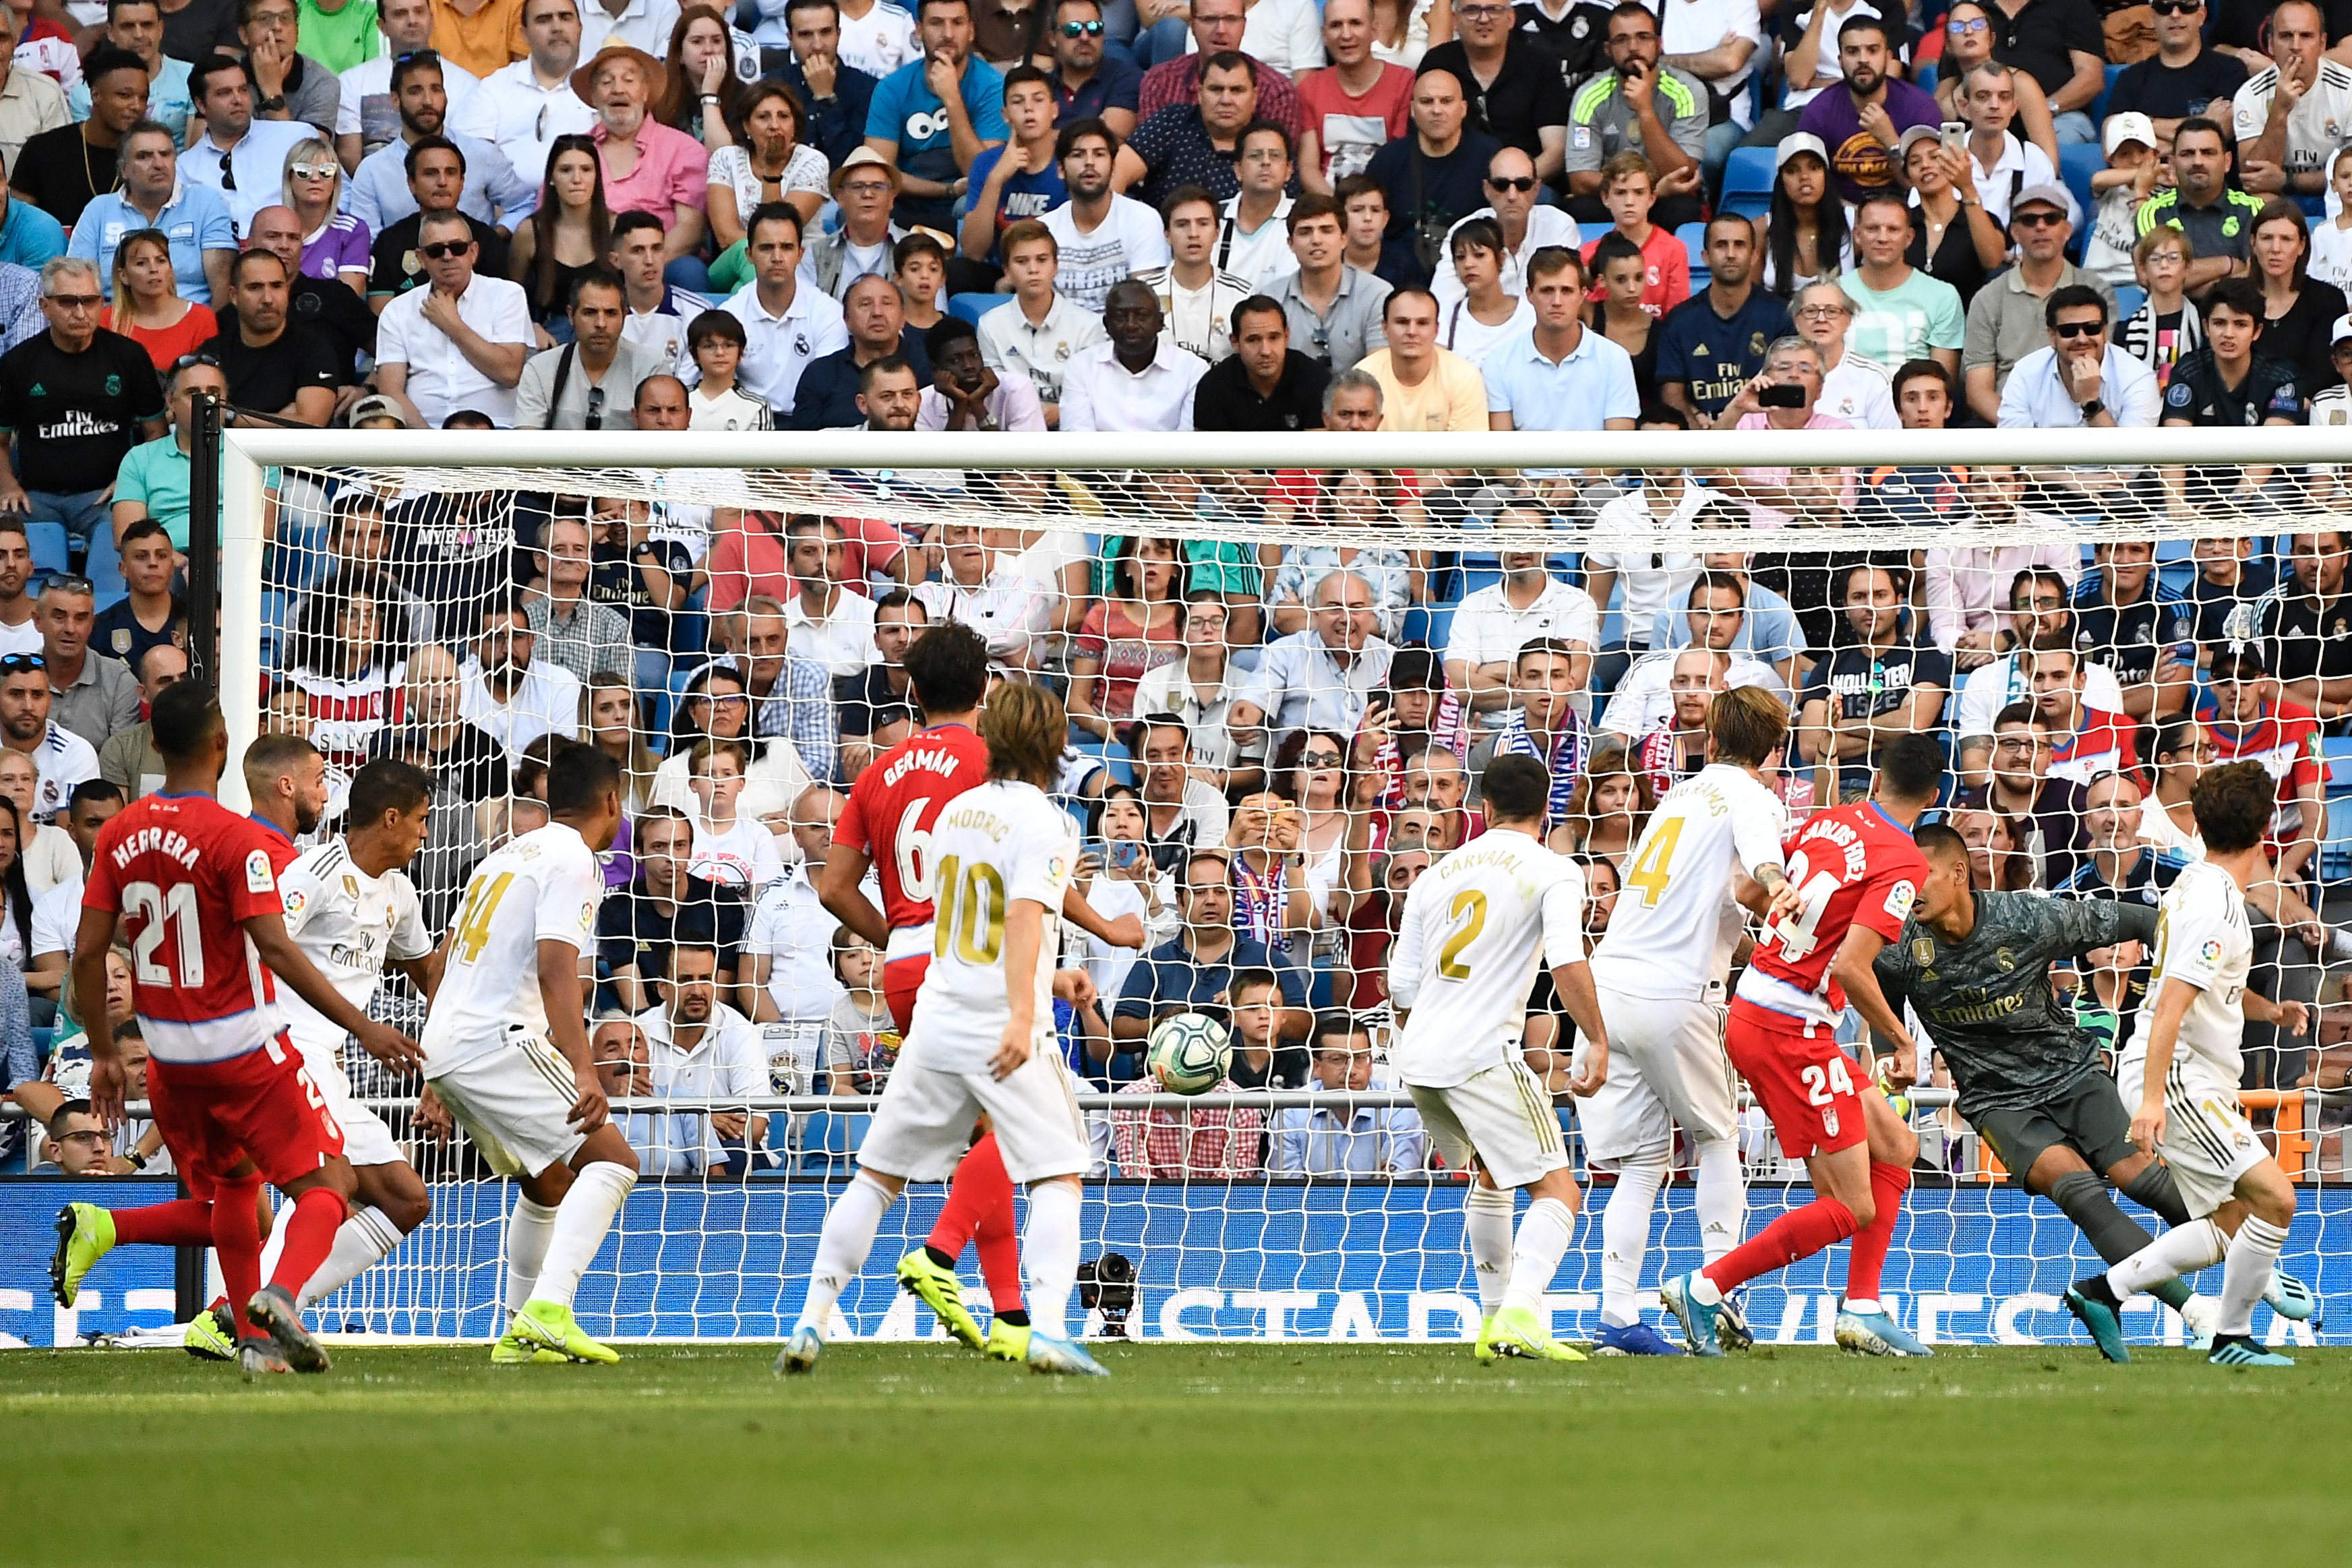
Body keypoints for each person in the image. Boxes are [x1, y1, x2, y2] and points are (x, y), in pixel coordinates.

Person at [57, 682, 418, 1378]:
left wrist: (105, 1052)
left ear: (154, 745)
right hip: (242, 1047)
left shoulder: (121, 832)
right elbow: (277, 948)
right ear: (221, 747)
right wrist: (363, 1026)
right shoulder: (236, 839)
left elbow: (85, 953)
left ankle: (250, 1344)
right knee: (327, 1185)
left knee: (233, 1192)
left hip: (165, 1057)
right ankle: (276, 1303)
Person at [785, 682, 1118, 1377]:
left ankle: (811, 1320)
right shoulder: (1048, 822)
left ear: (992, 739)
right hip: (1001, 1022)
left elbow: (958, 920)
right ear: (1057, 746)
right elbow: (1023, 918)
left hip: (938, 1011)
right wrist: (1028, 1012)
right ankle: (1048, 1328)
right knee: (1059, 1174)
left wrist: (1049, 982)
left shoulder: (958, 812)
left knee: (876, 1178)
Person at [1660, 733, 1939, 1356]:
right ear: (1935, 794)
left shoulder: (1832, 819)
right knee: (1850, 1205)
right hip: (1789, 1030)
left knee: (1896, 1143)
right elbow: (1848, 967)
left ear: (1879, 776)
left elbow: (1750, 892)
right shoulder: (1902, 858)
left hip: (1761, 1005)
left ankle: (1862, 1307)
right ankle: (1705, 1288)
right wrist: (1900, 1041)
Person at [2063, 762, 2315, 1367]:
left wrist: (2270, 1012)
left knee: (2230, 1220)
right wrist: (2152, 1101)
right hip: (2177, 1076)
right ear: (2264, 831)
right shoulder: (2215, 907)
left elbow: (2205, 986)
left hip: (2188, 1073)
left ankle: (2102, 1292)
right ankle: (2231, 1339)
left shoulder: (2197, 886)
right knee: (2275, 1199)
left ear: (2197, 824)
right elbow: (2171, 1005)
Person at [1581, 687, 1798, 1356]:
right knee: (1716, 1137)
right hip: (1675, 993)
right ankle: (1715, 1292)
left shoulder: (1677, 797)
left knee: (1643, 1162)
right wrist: (1778, 882)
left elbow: (1703, 903)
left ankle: (1619, 1319)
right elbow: (1761, 859)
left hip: (1612, 984)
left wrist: (1748, 937)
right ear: (1772, 747)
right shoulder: (1753, 795)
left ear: (1709, 738)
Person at [413, 742, 638, 1364]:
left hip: (452, 1046)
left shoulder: (504, 857)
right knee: (614, 1162)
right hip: (498, 1039)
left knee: (548, 1181)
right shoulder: (577, 861)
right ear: (613, 802)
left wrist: (434, 1082)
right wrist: (584, 1068)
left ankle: (518, 1331)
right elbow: (555, 967)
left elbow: (445, 962)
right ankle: (550, 1309)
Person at [1385, 750, 1606, 1362]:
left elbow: (1400, 987)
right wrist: (1597, 1038)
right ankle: (1518, 1312)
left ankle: (1491, 1323)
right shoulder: (1554, 869)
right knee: (1559, 1190)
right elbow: (1565, 959)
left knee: (1492, 1172)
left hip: (1421, 1056)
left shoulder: (1435, 875)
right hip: (1484, 1053)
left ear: (1480, 808)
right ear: (1546, 810)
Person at [240, 758, 443, 1317]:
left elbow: (429, 973)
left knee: (406, 1200)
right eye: (422, 820)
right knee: (326, 1185)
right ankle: (234, 1312)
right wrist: (366, 1028)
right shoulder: (316, 873)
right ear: (392, 818)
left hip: (328, 1062)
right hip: (286, 1050)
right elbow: (263, 945)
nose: (427, 833)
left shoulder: (400, 893)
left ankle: (271, 1307)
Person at [0, 259, 167, 565]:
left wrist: (131, 482)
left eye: (89, 301)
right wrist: (8, 484)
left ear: (101, 302)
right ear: (44, 306)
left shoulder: (129, 357)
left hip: (108, 496)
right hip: (36, 498)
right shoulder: (18, 363)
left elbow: (156, 433)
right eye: (67, 302)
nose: (80, 313)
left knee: (123, 551)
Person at [1962, 183, 2116, 422]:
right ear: (2014, 232)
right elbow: (1979, 391)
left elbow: (2107, 368)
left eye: (2051, 219)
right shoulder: (1987, 298)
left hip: (2082, 420)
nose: (2040, 227)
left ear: (2067, 231)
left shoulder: (2097, 291)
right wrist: (2027, 434)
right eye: (2029, 220)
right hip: (2008, 427)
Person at [375, 208, 534, 426]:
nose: (448, 256)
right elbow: (390, 390)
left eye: (458, 248)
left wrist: (453, 325)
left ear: (474, 252)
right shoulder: (397, 310)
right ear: (421, 258)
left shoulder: (507, 295)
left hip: (496, 431)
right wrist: (431, 447)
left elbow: (509, 373)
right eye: (436, 250)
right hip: (424, 435)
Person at [860, 0, 1005, 232]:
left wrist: (952, 99)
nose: (948, 34)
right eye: (937, 23)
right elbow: (878, 172)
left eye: (957, 23)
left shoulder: (993, 86)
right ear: (918, 30)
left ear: (971, 31)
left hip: (964, 204)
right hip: (906, 200)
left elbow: (980, 174)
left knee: (971, 204)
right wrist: (945, 190)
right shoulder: (892, 88)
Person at [68, 119, 238, 307]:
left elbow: (222, 284)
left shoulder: (206, 202)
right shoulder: (99, 210)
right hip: (116, 326)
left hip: (192, 326)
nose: (158, 164)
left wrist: (210, 333)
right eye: (144, 156)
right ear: (124, 169)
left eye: (165, 154)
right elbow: (77, 282)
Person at [704, 202, 849, 418]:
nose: (777, 257)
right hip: (748, 427)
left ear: (800, 254)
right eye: (767, 248)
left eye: (787, 247)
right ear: (749, 254)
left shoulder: (827, 313)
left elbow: (829, 385)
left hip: (810, 424)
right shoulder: (731, 315)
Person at [1559, 3, 1697, 229]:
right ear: (1607, 49)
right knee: (1578, 209)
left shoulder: (1688, 91)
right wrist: (1642, 191)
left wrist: (1645, 110)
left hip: (1666, 200)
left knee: (1684, 208)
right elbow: (1581, 180)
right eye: (1621, 40)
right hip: (1614, 198)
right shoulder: (1589, 95)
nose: (1633, 47)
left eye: (1643, 37)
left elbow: (1681, 174)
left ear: (1659, 44)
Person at [1362, 68, 1499, 287]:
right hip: (1397, 279)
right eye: (1427, 102)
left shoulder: (1490, 158)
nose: (1437, 110)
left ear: (1463, 109)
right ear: (1413, 110)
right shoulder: (1388, 161)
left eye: (1446, 101)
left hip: (1469, 277)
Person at [1484, 246, 1636, 431]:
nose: (1557, 301)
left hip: (1596, 461)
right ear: (1529, 295)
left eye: (1567, 291)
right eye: (1547, 291)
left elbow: (1618, 450)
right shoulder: (1499, 361)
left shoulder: (1615, 359)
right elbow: (1502, 451)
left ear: (1583, 295)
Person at [1654, 214, 1788, 425]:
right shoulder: (1680, 321)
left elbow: (1787, 386)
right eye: (1721, 245)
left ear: (1754, 255)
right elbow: (1672, 395)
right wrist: (1703, 441)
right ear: (1705, 256)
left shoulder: (1780, 315)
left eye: (1740, 245)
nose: (1731, 254)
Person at [1792, 13, 1938, 204]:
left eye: (1872, 50)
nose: (1863, 60)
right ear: (1841, 60)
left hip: (1909, 217)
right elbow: (1807, 188)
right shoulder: (1819, 112)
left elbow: (1926, 188)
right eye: (1853, 51)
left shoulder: (1920, 107)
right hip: (1843, 218)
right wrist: (1850, 214)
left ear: (1888, 57)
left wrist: (1891, 142)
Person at [178, 52, 329, 233]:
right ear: (201, 105)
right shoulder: (186, 168)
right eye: (225, 93)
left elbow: (340, 196)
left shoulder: (295, 136)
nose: (238, 99)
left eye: (243, 90)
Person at [338, 1, 497, 170]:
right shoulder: (352, 82)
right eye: (400, 14)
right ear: (382, 26)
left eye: (419, 12)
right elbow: (350, 159)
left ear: (432, 19)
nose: (412, 20)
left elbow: (471, 160)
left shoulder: (467, 85)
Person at [975, 219, 1101, 423]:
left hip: (1072, 429)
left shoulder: (1088, 325)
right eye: (1022, 261)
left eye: (1042, 260)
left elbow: (1096, 394)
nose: (1033, 269)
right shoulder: (990, 325)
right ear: (1007, 271)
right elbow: (994, 393)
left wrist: (1060, 411)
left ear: (1055, 266)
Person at [1041, 117, 1170, 313]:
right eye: (1078, 155)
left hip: (1124, 337)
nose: (1090, 163)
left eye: (1099, 154)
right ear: (1060, 170)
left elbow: (1144, 306)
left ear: (1113, 166)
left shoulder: (1142, 219)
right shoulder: (1045, 229)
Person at [14, 46, 149, 233]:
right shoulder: (43, 149)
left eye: (143, 97)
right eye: (124, 95)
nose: (137, 106)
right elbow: (17, 224)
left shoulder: (150, 155)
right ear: (96, 96)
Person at [204, 249, 342, 427]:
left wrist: (231, 417)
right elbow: (194, 415)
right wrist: (281, 420)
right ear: (234, 296)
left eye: (277, 286)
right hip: (226, 454)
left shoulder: (314, 349)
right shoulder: (213, 353)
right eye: (255, 287)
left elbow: (310, 425)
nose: (268, 299)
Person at [956, 63, 1064, 289]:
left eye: (1038, 100)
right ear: (1005, 115)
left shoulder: (1069, 160)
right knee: (959, 272)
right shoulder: (987, 163)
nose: (1028, 109)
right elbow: (973, 251)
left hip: (1059, 269)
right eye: (1017, 102)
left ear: (1054, 110)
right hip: (1003, 268)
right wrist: (996, 179)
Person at [2231, 0, 2352, 201]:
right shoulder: (2250, 94)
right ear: (2270, 44)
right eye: (2286, 36)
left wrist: (2288, 180)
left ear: (2322, 43)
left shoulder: (2348, 88)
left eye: (2306, 36)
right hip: (2277, 201)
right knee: (2263, 197)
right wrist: (2279, 109)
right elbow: (2252, 179)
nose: (2296, 46)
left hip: (2337, 196)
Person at [1428, 146, 1581, 304]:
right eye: (1501, 185)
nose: (1512, 196)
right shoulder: (1464, 231)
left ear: (1536, 189)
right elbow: (1442, 304)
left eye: (1523, 185)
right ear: (1487, 190)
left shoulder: (1559, 225)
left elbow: (1563, 300)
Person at [1996, 282, 2161, 428]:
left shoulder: (2137, 377)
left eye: (2092, 329)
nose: (2082, 339)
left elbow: (2131, 460)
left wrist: (2091, 402)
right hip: (2043, 464)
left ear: (2105, 332)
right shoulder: (2025, 374)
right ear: (2052, 336)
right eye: (2069, 331)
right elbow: (2011, 451)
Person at [1134, 0, 1304, 138]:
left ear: (1244, 25)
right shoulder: (1160, 82)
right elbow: (1149, 158)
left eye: (1230, 20)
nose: (1221, 30)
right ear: (1192, 25)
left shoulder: (1277, 91)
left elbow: (1278, 168)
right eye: (1209, 20)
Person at [2133, 117, 2261, 297]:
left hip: (2233, 320)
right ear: (2172, 163)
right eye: (2187, 154)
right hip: (2173, 321)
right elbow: (2151, 278)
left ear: (2227, 162)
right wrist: (2228, 264)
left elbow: (2257, 278)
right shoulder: (2152, 212)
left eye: (2208, 153)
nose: (2198, 162)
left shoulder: (2252, 209)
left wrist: (2183, 285)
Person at [1836, 193, 1962, 373]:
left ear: (1909, 238)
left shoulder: (1942, 297)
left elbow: (1940, 385)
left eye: (1893, 229)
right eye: (1872, 229)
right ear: (1857, 235)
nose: (1882, 238)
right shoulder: (1832, 293)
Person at [1058, 277, 1206, 430]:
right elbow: (1078, 442)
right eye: (1120, 316)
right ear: (1107, 324)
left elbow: (1188, 445)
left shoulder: (1191, 370)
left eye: (1142, 316)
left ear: (1160, 322)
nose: (1131, 325)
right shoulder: (1082, 367)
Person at [1297, 0, 1412, 192]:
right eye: (1336, 25)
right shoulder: (1310, 88)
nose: (1346, 35)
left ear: (1374, 30)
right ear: (1324, 35)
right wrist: (1338, 212)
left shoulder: (1404, 83)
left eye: (1355, 23)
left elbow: (1401, 162)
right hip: (1328, 207)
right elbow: (1308, 168)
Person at [482, 0, 597, 191]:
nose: (557, 27)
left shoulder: (605, 85)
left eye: (565, 17)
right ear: (524, 35)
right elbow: (471, 158)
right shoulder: (495, 87)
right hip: (509, 212)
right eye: (544, 20)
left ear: (580, 28)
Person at [1132, 183, 1250, 362]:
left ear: (1217, 233)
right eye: (1182, 225)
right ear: (1167, 235)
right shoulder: (1143, 293)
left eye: (1203, 224)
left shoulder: (1241, 295)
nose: (1193, 233)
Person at [2103, 0, 2244, 148]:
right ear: (2152, 17)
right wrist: (2203, 121)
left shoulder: (2231, 70)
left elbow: (2222, 131)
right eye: (2164, 8)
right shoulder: (2131, 77)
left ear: (2202, 15)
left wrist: (2141, 128)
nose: (2175, 14)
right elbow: (2112, 138)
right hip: (2148, 172)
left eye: (2186, 7)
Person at [507, 134, 610, 330]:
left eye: (586, 170)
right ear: (551, 178)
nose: (577, 179)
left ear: (597, 176)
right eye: (566, 170)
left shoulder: (616, 229)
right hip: (551, 333)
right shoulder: (529, 232)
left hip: (608, 330)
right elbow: (512, 298)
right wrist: (531, 328)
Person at [1897, 124, 2004, 309]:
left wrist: (1967, 187)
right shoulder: (1902, 223)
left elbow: (1993, 260)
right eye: (1915, 162)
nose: (1925, 165)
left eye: (1935, 157)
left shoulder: (1980, 219)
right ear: (1908, 177)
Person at [2248, 200, 2348, 396]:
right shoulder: (2234, 298)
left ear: (2302, 245)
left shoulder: (2327, 300)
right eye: (2267, 238)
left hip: (2308, 415)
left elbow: (2325, 376)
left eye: (2286, 239)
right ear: (2253, 243)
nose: (2275, 248)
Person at [770, 0, 881, 170]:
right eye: (805, 35)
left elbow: (855, 164)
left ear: (838, 34)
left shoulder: (867, 88)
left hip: (843, 191)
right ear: (790, 39)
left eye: (825, 32)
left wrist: (826, 98)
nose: (817, 45)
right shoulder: (773, 86)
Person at [1190, 294, 1327, 430]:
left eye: (1274, 338)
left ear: (1286, 337)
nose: (1265, 351)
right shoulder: (1214, 386)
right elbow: (1207, 450)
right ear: (1235, 342)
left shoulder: (1314, 380)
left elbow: (1320, 449)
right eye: (1253, 340)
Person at [1756, 131, 1848, 299]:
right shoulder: (1761, 229)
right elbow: (1751, 300)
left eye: (1814, 168)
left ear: (1826, 175)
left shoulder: (1853, 224)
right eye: (1792, 170)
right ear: (1781, 180)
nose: (1805, 177)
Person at [1039, 0, 1138, 143]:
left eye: (1094, 28)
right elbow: (1025, 141)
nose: (1085, 37)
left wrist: (1046, 137)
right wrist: (1095, 128)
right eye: (1073, 30)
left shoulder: (1126, 78)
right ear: (1053, 39)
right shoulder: (1042, 86)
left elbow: (1112, 138)